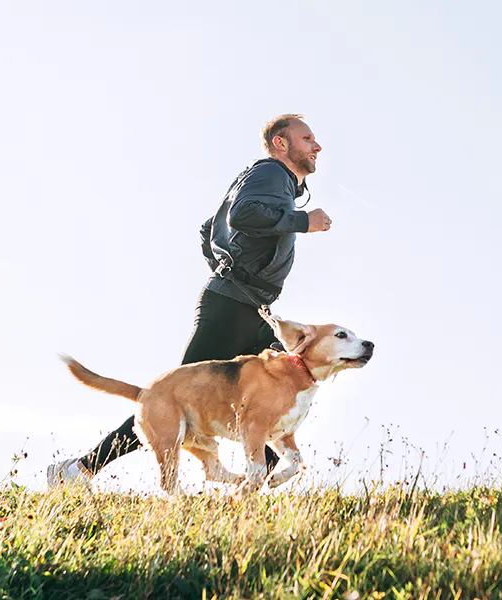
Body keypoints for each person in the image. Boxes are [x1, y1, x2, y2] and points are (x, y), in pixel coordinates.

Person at [47, 113, 332, 488]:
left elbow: (208, 228)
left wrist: (228, 268)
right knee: (171, 398)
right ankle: (78, 471)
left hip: (244, 305)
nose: (317, 146)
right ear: (282, 143)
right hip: (232, 308)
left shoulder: (268, 182)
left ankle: (258, 482)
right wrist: (301, 222)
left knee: (271, 393)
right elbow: (244, 215)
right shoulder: (271, 175)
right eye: (307, 138)